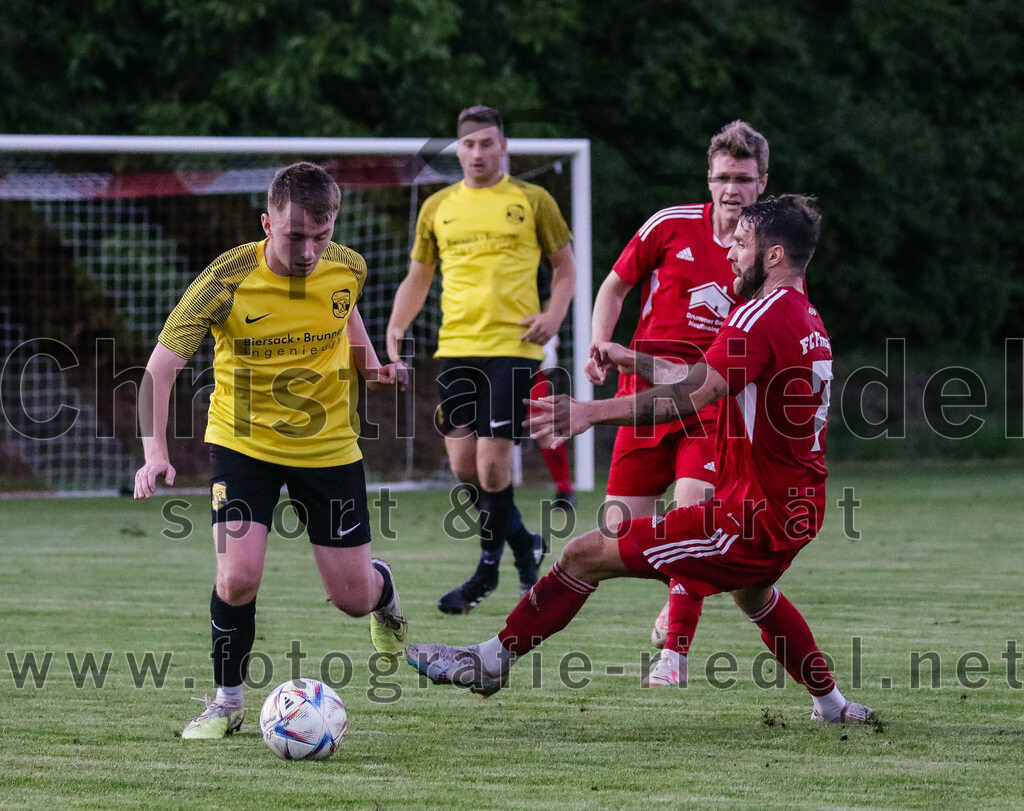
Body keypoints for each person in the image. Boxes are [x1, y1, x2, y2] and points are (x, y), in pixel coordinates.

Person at [407, 194, 874, 725]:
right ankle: (832, 705)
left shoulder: (760, 316)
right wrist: (633, 358)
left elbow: (694, 395)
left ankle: (491, 661)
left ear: (774, 255)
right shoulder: (802, 315)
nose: (731, 255)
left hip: (753, 518)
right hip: (791, 508)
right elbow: (705, 381)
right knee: (755, 595)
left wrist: (591, 411)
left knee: (585, 554)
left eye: (742, 244)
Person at [134, 162, 409, 739]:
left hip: (330, 447)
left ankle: (383, 591)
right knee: (237, 577)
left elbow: (346, 314)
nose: (309, 250)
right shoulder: (225, 281)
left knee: (353, 601)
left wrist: (372, 368)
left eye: (321, 235)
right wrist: (153, 451)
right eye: (293, 236)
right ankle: (226, 702)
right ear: (267, 223)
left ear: (334, 225)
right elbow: (158, 371)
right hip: (243, 445)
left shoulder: (348, 267)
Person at [585, 120, 768, 687]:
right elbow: (615, 285)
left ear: (763, 183)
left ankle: (674, 659)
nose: (731, 189)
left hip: (710, 403)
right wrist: (598, 342)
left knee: (691, 518)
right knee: (621, 540)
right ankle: (686, 583)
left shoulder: (767, 255)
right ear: (708, 179)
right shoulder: (669, 225)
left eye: (742, 178)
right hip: (642, 398)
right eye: (722, 177)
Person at [386, 105, 577, 612]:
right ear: (459, 149)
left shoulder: (533, 200)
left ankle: (487, 575)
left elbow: (565, 269)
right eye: (468, 145)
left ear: (503, 147)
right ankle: (525, 545)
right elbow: (419, 276)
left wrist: (554, 314)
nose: (476, 153)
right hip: (456, 349)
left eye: (486, 143)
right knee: (464, 467)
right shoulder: (438, 207)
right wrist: (397, 325)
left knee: (494, 466)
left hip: (513, 348)